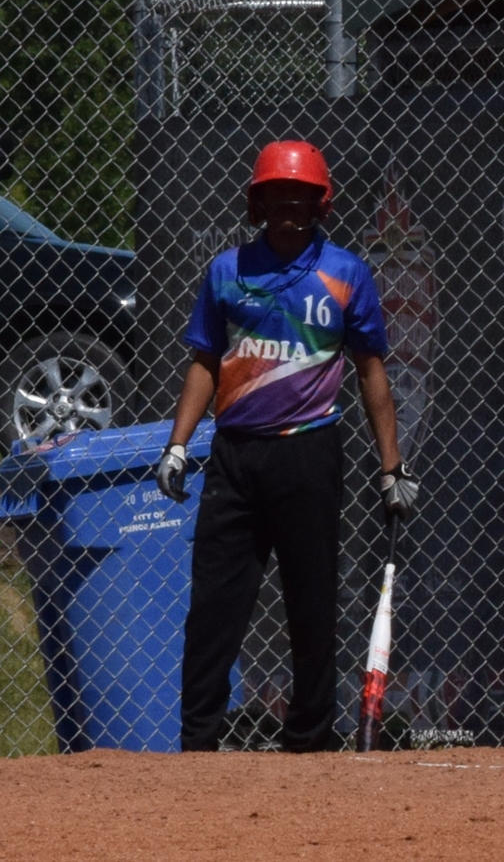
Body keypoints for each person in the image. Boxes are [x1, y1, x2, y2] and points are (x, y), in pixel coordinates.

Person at [157, 140, 407, 753]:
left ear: (322, 201)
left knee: (312, 600)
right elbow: (205, 361)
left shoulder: (346, 272)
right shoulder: (227, 270)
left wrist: (391, 464)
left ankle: (311, 737)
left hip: (308, 453)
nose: (289, 204)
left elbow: (372, 369)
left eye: (301, 194)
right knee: (216, 603)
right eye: (277, 194)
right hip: (236, 455)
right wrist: (177, 446)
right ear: (258, 201)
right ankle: (198, 738)